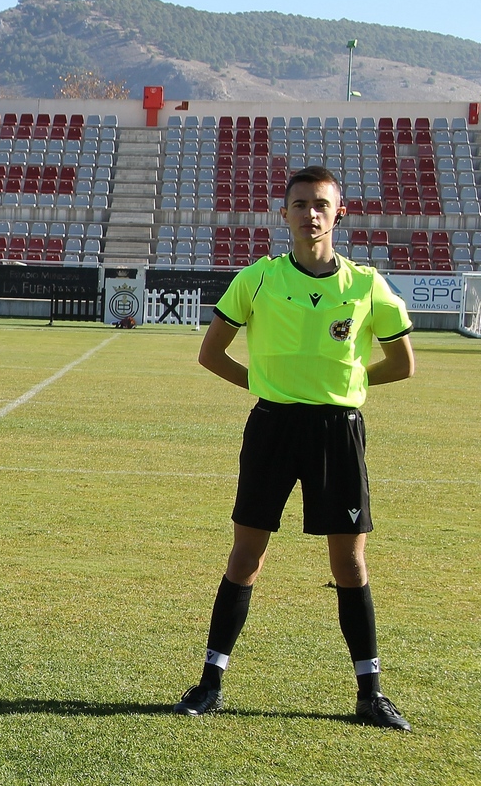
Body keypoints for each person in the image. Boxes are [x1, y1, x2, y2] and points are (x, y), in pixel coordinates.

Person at [173, 165, 416, 730]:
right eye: (300, 204)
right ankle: (210, 683)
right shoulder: (257, 279)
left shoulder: (366, 284)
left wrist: (345, 388)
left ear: (339, 213)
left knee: (349, 561)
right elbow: (211, 355)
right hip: (273, 428)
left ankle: (370, 693)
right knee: (246, 556)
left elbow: (403, 365)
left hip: (338, 431)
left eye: (321, 205)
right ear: (283, 214)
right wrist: (270, 390)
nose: (311, 214)